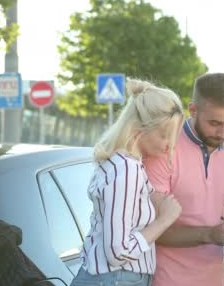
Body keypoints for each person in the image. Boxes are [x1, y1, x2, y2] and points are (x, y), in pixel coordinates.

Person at [71, 79, 184, 286]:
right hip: (116, 279)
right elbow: (118, 251)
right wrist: (165, 220)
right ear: (140, 128)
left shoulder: (123, 164)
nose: (170, 145)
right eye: (164, 136)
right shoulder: (126, 169)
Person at [144, 73, 224, 286]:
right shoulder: (163, 148)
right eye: (215, 122)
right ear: (193, 110)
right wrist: (210, 234)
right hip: (163, 281)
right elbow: (153, 230)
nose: (223, 133)